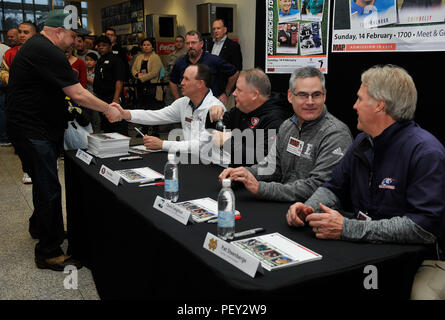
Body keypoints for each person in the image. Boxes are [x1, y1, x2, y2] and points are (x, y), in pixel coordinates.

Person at [285, 65, 445, 298]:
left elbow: (423, 228)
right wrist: (309, 206)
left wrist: (348, 228)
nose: (354, 105)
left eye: (360, 99)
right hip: (365, 251)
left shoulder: (425, 153)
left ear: (379, 105)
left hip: (417, 261)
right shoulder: (363, 141)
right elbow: (334, 187)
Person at [6, 10, 121, 271]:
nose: (76, 41)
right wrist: (108, 108)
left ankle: (40, 227)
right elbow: (79, 93)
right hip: (33, 130)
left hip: (31, 127)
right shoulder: (47, 50)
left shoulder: (37, 47)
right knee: (49, 188)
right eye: (73, 35)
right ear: (58, 32)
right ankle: (48, 251)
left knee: (41, 181)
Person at [218, 67, 353, 202]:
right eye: (303, 95)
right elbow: (273, 166)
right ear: (290, 96)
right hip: (283, 204)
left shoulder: (335, 134)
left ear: (324, 96)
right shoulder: (287, 126)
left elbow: (317, 187)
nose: (310, 101)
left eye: (316, 95)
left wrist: (260, 188)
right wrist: (244, 173)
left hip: (313, 213)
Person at [112, 64, 224, 156]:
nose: (181, 83)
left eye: (186, 79)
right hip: (189, 159)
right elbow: (157, 115)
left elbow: (204, 145)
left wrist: (162, 144)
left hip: (211, 164)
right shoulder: (183, 102)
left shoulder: (216, 109)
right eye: (182, 78)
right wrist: (125, 114)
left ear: (200, 84)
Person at [209, 68, 292, 167]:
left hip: (257, 180)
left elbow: (264, 159)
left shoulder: (276, 119)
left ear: (254, 94)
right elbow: (214, 128)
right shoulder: (241, 108)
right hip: (235, 175)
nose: (234, 93)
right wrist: (213, 115)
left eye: (239, 90)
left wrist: (227, 142)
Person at [169, 30, 238, 106]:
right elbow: (173, 81)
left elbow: (234, 73)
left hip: (212, 105)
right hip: (189, 105)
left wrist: (226, 94)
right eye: (188, 43)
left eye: (193, 43)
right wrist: (178, 100)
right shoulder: (180, 62)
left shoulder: (213, 60)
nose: (190, 46)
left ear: (201, 44)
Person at [93, 35, 127, 135]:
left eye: (104, 45)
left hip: (112, 97)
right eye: (99, 46)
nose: (101, 47)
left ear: (110, 46)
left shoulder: (116, 60)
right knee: (106, 125)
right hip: (101, 97)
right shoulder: (99, 61)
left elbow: (119, 80)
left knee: (117, 123)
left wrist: (116, 99)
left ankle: (122, 147)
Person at [131, 37, 164, 107]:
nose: (146, 47)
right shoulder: (139, 57)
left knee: (151, 107)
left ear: (152, 47)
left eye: (148, 45)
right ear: (142, 47)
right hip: (140, 86)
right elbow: (133, 69)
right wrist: (137, 74)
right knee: (141, 106)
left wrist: (142, 77)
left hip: (152, 87)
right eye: (144, 45)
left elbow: (154, 73)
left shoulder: (155, 57)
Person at [164, 35, 186, 106]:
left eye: (180, 41)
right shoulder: (170, 56)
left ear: (183, 43)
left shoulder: (187, 55)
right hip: (171, 84)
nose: (178, 43)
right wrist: (165, 84)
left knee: (183, 105)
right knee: (169, 104)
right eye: (177, 41)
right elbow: (167, 71)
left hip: (183, 85)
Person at [85, 52, 101, 133]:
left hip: (95, 99)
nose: (88, 62)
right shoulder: (84, 71)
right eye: (87, 60)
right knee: (86, 120)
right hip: (85, 99)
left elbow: (96, 83)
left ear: (95, 62)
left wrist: (86, 78)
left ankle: (97, 137)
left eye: (91, 60)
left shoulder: (98, 72)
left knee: (96, 120)